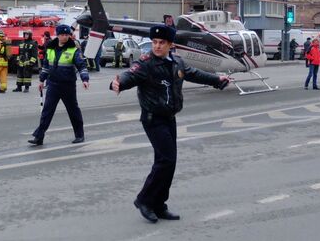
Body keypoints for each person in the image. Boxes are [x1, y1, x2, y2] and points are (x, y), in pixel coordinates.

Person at [109, 25, 229, 223]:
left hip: (169, 117)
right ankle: (144, 200)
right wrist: (118, 83)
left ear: (170, 45)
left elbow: (195, 74)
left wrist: (217, 80)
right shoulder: (146, 64)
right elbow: (130, 75)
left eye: (161, 43)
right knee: (166, 160)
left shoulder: (177, 63)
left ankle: (159, 204)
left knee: (168, 163)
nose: (156, 46)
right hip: (153, 119)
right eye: (154, 42)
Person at [28, 24, 89, 146]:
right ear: (58, 35)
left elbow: (81, 66)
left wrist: (85, 79)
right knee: (47, 112)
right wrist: (41, 80)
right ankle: (39, 137)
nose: (65, 37)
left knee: (73, 111)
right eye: (62, 35)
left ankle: (79, 135)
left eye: (67, 35)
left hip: (68, 86)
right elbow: (46, 66)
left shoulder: (73, 50)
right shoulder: (50, 49)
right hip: (53, 85)